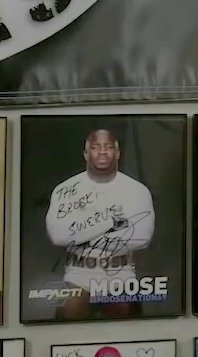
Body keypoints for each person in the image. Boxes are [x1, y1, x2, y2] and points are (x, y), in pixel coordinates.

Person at [45, 127, 156, 320]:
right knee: (68, 318)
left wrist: (80, 234)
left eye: (108, 147)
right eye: (96, 147)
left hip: (121, 274)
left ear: (118, 153)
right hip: (78, 274)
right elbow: (58, 236)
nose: (102, 152)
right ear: (86, 154)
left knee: (127, 322)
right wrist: (110, 223)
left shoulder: (137, 190)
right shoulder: (65, 190)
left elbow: (141, 237)